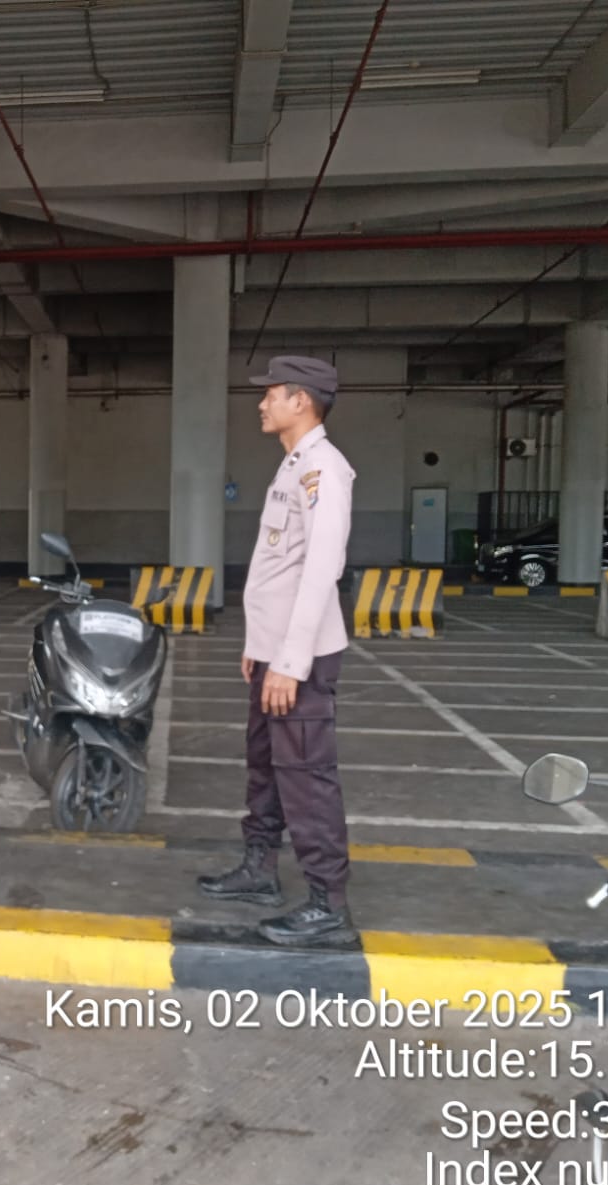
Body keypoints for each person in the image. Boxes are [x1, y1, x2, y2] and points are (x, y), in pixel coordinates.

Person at [197, 355, 359, 949]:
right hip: (276, 653)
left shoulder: (323, 468)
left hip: (300, 659)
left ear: (301, 401)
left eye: (272, 394)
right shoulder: (294, 464)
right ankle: (259, 869)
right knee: (265, 766)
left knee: (306, 778)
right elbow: (278, 567)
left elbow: (320, 570)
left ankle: (327, 903)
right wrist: (259, 647)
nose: (262, 403)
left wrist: (290, 662)